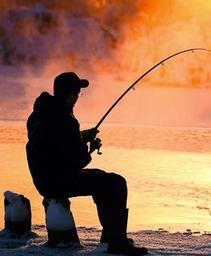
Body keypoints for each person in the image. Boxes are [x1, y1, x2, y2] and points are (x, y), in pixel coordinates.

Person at [26, 72, 148, 256]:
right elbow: (78, 160)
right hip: (56, 180)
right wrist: (90, 147)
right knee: (116, 183)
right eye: (77, 94)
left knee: (101, 177)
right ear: (70, 95)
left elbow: (56, 143)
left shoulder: (41, 113)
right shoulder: (65, 119)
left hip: (44, 176)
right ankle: (116, 241)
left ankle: (112, 236)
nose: (77, 98)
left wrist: (81, 136)